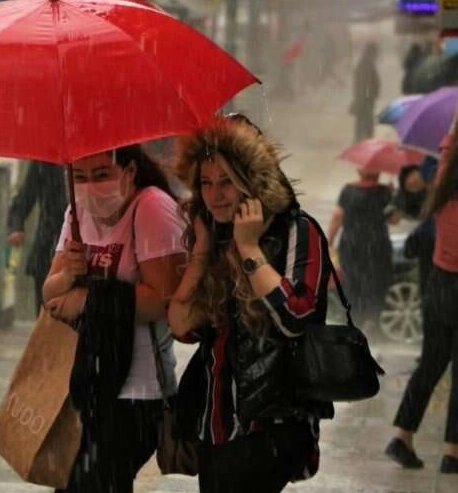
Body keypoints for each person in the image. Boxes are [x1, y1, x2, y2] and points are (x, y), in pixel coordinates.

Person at [168, 115, 333, 493]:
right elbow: (180, 325)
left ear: (253, 180)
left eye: (227, 181)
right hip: (216, 422)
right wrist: (203, 250)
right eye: (206, 183)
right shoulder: (212, 236)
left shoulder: (298, 231)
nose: (216, 194)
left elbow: (295, 316)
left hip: (272, 423)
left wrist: (248, 248)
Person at [42, 144, 186, 493]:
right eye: (79, 177)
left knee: (97, 482)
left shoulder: (151, 206)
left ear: (130, 172)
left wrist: (90, 297)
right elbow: (51, 296)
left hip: (136, 390)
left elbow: (162, 299)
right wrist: (67, 277)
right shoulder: (77, 213)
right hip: (86, 381)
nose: (90, 186)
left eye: (102, 174)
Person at [386, 129, 458, 474]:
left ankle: (402, 435)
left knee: (430, 364)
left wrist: (454, 128)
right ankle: (452, 452)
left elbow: (446, 151)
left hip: (438, 286)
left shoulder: (443, 189)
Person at [327, 169, 393, 328]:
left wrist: (329, 241)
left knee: (352, 283)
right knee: (376, 283)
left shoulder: (348, 190)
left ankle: (354, 320)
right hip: (377, 244)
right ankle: (371, 322)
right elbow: (395, 219)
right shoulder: (384, 192)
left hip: (352, 244)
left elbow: (337, 217)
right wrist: (393, 196)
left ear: (359, 170)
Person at [6, 161, 68, 311]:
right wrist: (16, 226)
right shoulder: (46, 161)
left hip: (84, 252)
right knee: (46, 317)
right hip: (47, 250)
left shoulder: (92, 155)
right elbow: (25, 197)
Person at [350, 42, 380, 143]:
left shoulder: (364, 64)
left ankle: (360, 144)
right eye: (375, 53)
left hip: (364, 99)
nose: (376, 56)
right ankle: (364, 145)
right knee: (366, 126)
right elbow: (366, 84)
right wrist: (369, 96)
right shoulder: (367, 65)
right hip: (365, 100)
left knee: (361, 125)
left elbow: (359, 83)